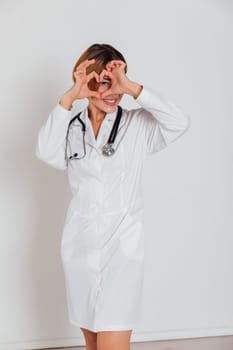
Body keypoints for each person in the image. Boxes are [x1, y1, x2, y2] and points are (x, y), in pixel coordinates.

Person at [35, 43, 191, 350]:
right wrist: (69, 97)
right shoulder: (72, 127)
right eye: (105, 82)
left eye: (118, 82)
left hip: (122, 253)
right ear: (88, 83)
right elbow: (46, 152)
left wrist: (132, 88)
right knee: (93, 344)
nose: (113, 91)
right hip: (79, 249)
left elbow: (179, 122)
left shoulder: (137, 125)